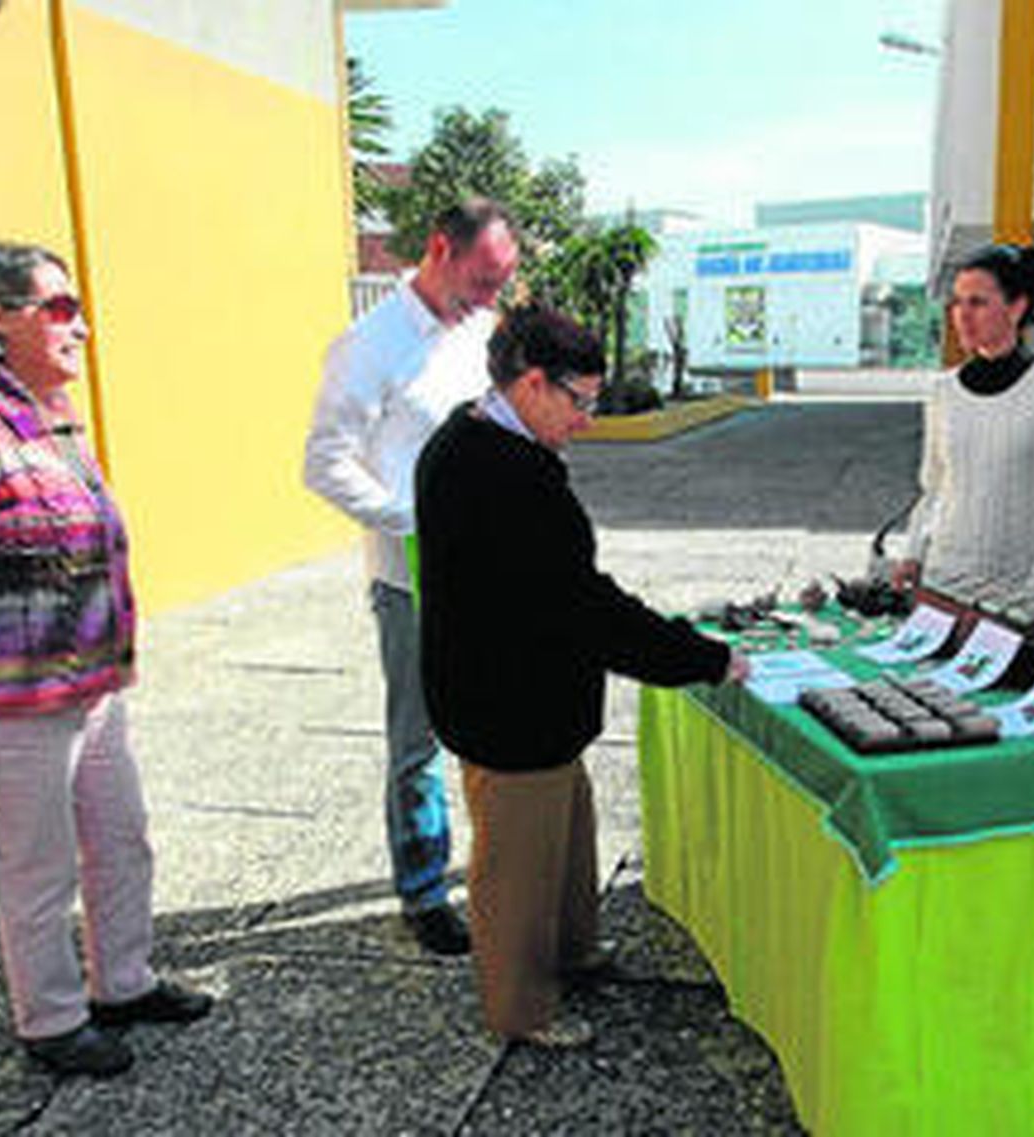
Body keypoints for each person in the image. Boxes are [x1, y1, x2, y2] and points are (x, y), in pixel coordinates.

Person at [0, 243, 211, 1077]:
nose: (83, 326)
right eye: (60, 308)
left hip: (88, 688)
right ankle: (52, 1020)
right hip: (1, 701)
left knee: (122, 838)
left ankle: (124, 982)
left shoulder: (47, 415)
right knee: (39, 865)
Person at [414, 305, 749, 1049]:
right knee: (516, 868)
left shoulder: (480, 439)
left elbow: (564, 594)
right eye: (582, 400)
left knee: (566, 832)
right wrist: (701, 657)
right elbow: (584, 607)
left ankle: (574, 949)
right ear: (533, 383)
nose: (589, 419)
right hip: (509, 705)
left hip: (532, 700)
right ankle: (522, 1007)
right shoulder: (494, 469)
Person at [303, 198, 519, 955]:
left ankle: (494, 867)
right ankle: (423, 888)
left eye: (504, 282)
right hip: (412, 580)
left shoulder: (483, 333)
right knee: (419, 737)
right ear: (438, 249)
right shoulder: (368, 346)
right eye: (483, 280)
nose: (493, 299)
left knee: (492, 723)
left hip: (490, 570)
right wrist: (416, 518)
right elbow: (324, 463)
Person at [895, 243, 1034, 600]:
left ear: (1016, 308)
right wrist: (912, 555)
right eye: (957, 302)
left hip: (1020, 598)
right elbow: (934, 488)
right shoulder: (943, 391)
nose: (962, 315)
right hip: (942, 588)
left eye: (978, 302)